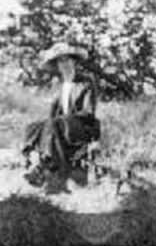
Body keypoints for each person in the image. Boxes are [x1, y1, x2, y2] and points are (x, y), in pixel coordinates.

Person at [21, 41, 100, 192]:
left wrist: (63, 120)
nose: (65, 64)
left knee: (55, 123)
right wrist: (46, 126)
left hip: (82, 126)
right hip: (61, 126)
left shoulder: (85, 82)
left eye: (67, 60)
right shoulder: (59, 86)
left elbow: (88, 112)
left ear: (74, 61)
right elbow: (52, 114)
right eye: (61, 61)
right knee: (34, 126)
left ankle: (43, 167)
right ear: (57, 65)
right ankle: (33, 160)